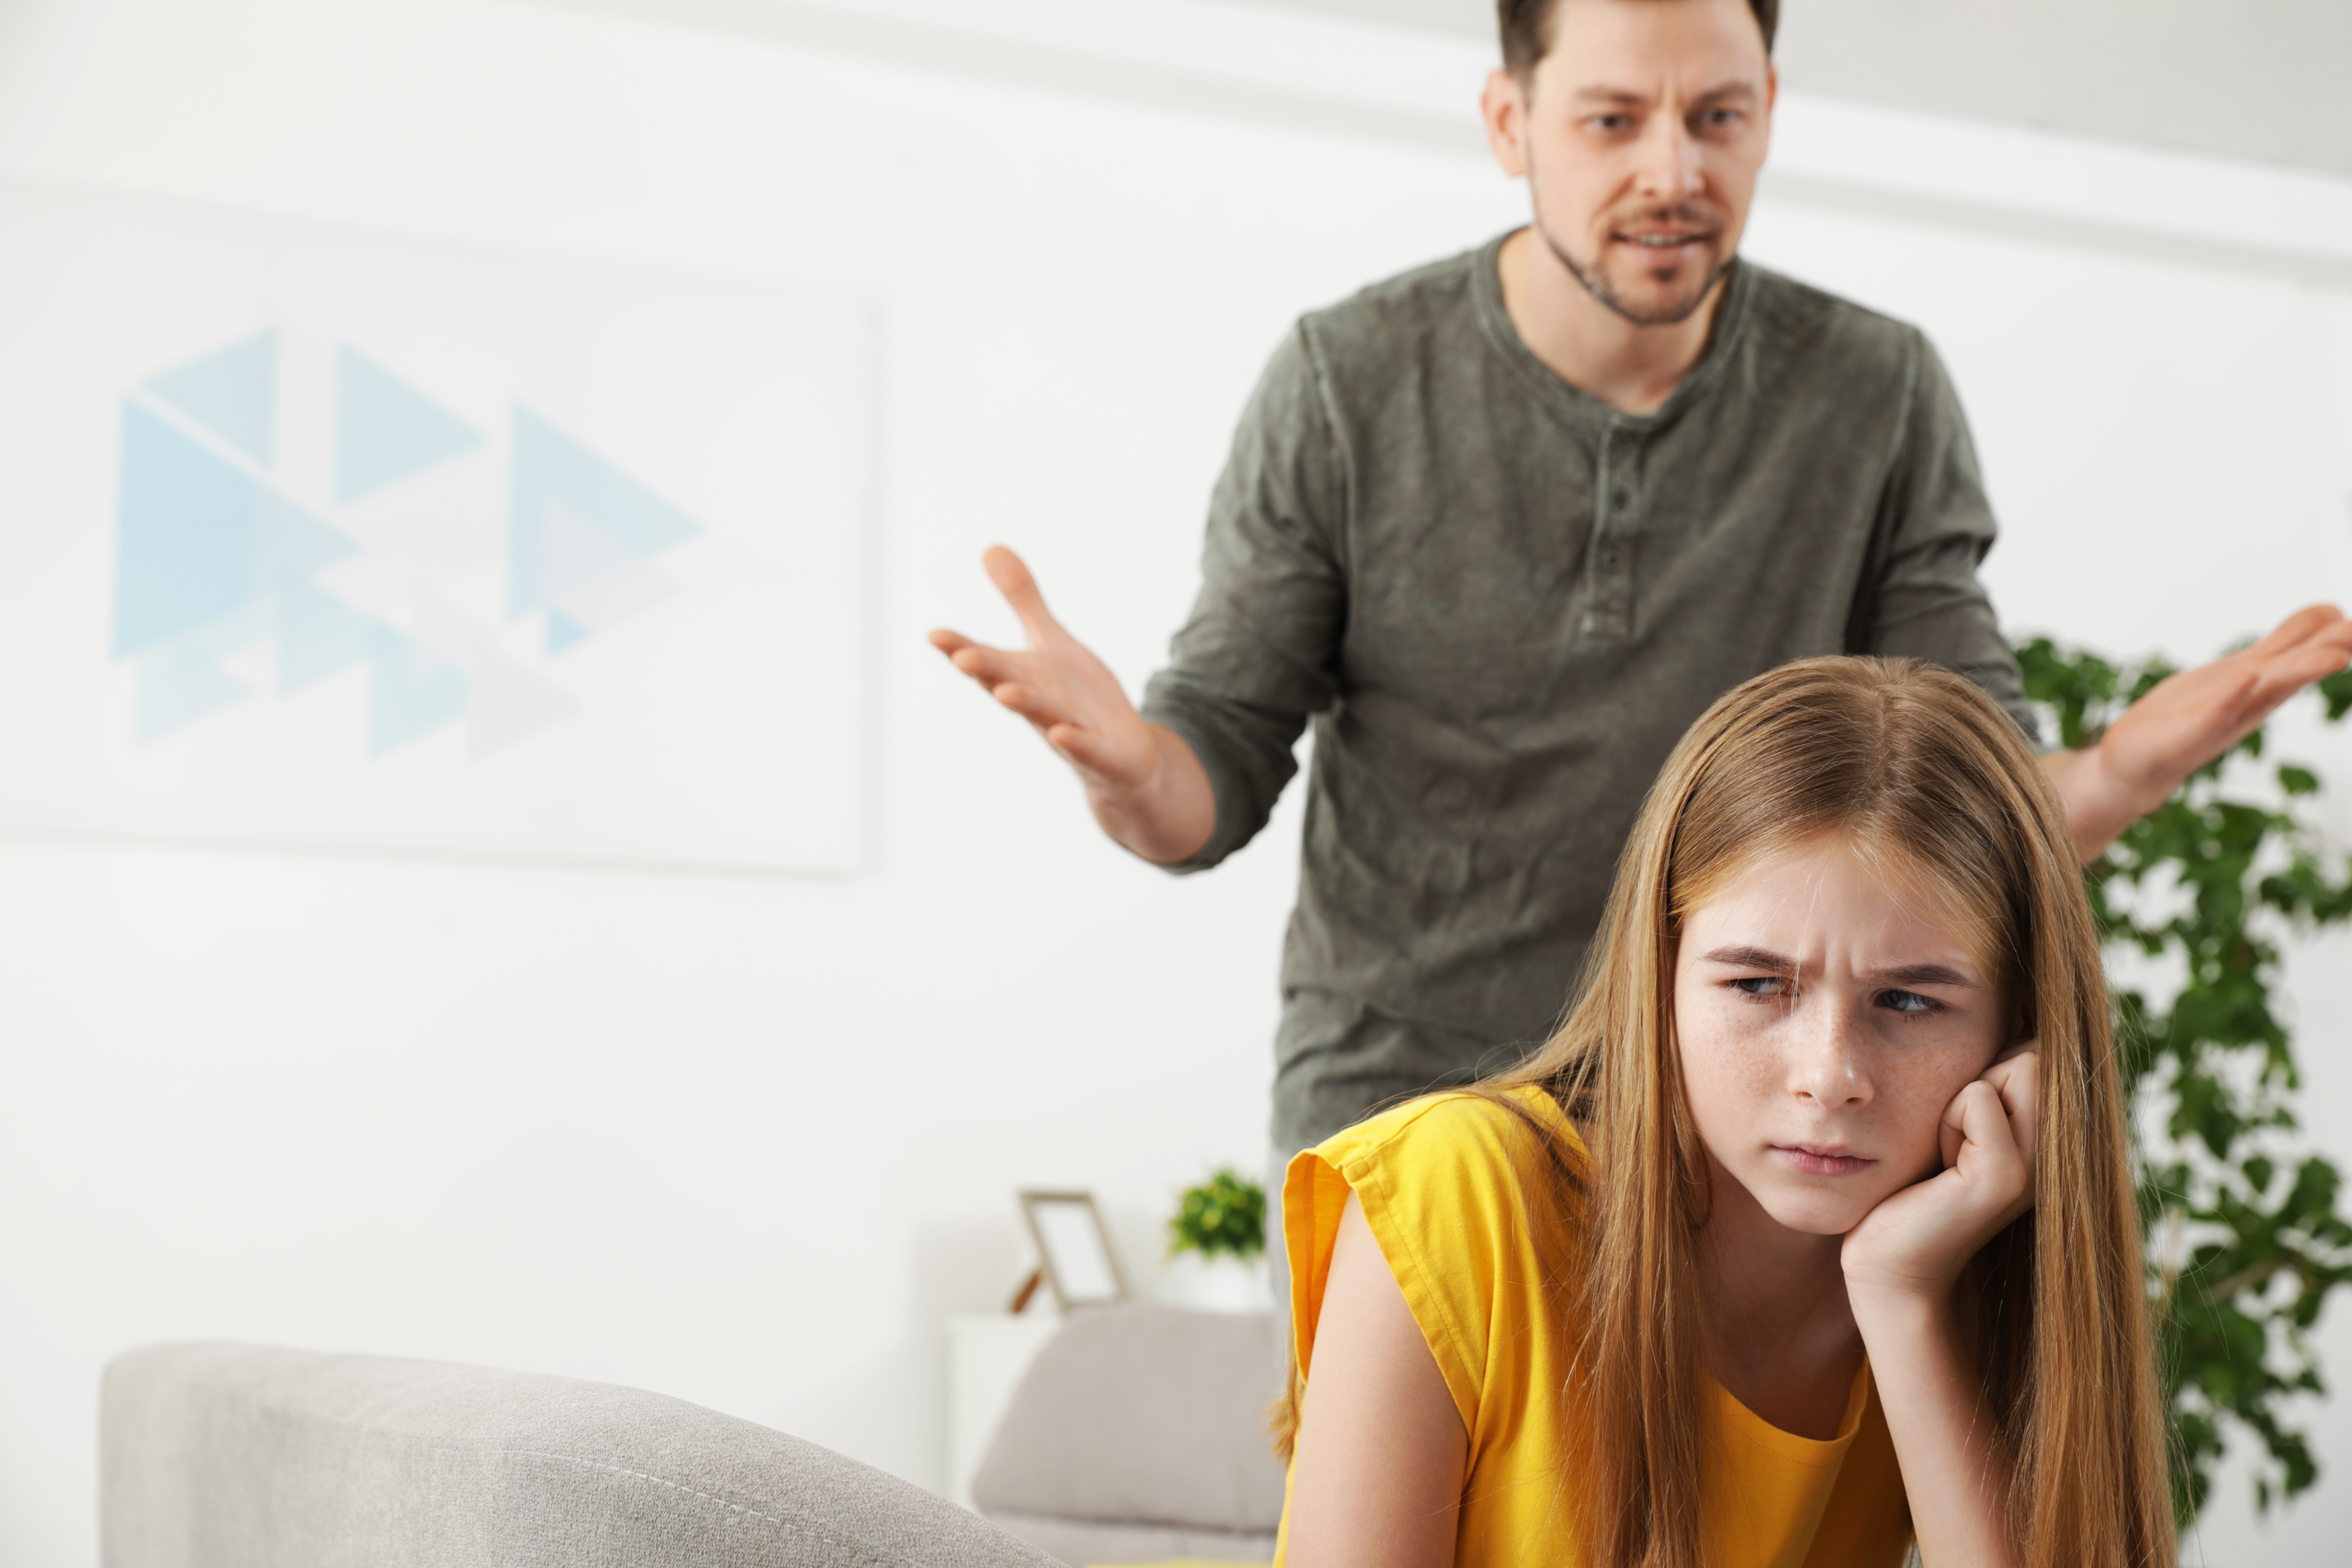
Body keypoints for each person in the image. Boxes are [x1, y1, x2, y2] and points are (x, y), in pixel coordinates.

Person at [930, 0, 2352, 1171]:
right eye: (1612, 120)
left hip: (1730, 1119)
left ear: (1770, 111)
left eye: (1717, 117)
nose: (1673, 171)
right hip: (1403, 1104)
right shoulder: (1345, 381)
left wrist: (2125, 768)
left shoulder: (1877, 392)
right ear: (1512, 123)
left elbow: (1959, 802)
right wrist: (1127, 765)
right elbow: (1206, 787)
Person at [1274, 656, 2172, 1568]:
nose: (1832, 1076)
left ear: (2018, 1027)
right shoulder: (1454, 1192)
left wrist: (1902, 1304)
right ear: (1658, 975)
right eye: (1757, 984)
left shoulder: (1968, 1266)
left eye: (1907, 1003)